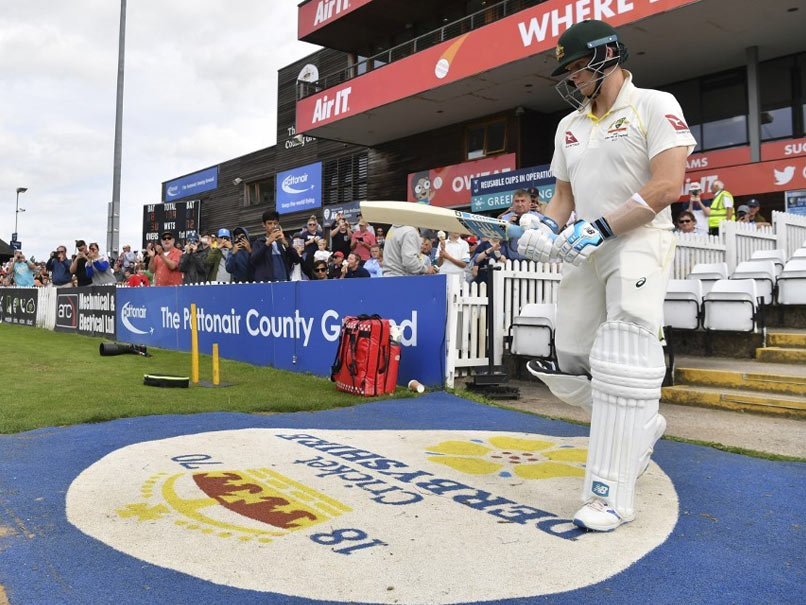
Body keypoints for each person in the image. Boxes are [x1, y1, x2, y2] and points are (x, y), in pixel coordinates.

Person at [516, 19, 695, 532]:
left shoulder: (653, 105)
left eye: (578, 66)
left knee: (623, 353)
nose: (573, 77)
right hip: (585, 246)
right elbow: (563, 198)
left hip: (637, 240)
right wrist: (544, 226)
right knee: (573, 358)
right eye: (568, 70)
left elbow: (668, 186)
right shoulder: (568, 126)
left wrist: (602, 226)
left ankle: (610, 497)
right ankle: (638, 427)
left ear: (608, 56)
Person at [249, 210, 301, 282]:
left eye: (275, 223)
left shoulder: (284, 240)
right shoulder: (259, 242)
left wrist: (285, 243)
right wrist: (267, 243)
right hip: (266, 282)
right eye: (269, 223)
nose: (273, 226)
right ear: (264, 225)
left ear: (278, 224)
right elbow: (253, 261)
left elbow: (296, 260)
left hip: (283, 280)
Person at [500, 189, 543, 260]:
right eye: (517, 201)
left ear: (529, 203)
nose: (520, 204)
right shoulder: (505, 219)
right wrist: (508, 226)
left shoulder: (538, 218)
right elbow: (497, 241)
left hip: (533, 261)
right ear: (513, 203)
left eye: (523, 201)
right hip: (510, 261)